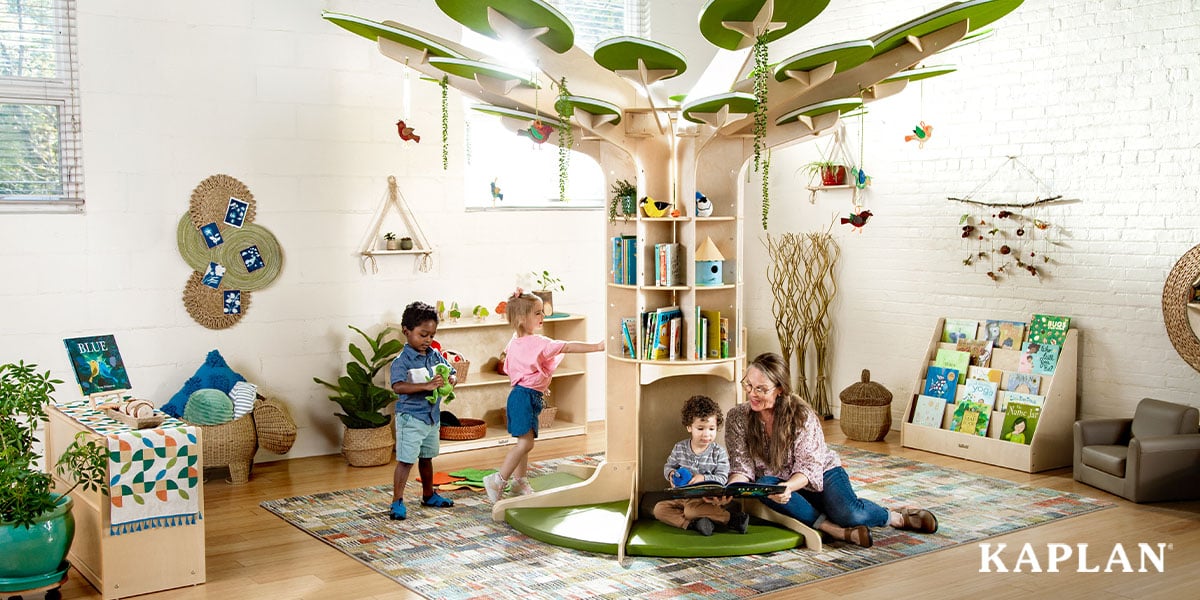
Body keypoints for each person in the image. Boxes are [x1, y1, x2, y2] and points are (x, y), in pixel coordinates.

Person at [724, 352, 939, 548]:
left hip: (819, 474)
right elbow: (741, 466)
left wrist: (789, 486)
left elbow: (808, 466)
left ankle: (895, 517)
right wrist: (729, 490)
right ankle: (835, 530)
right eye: (749, 385)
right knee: (765, 486)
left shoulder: (802, 416)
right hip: (777, 485)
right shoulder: (737, 417)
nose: (752, 393)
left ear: (780, 389)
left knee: (851, 514)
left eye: (761, 389)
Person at [483, 289, 604, 502]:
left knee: (525, 439)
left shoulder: (514, 343)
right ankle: (498, 479)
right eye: (537, 313)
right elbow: (567, 346)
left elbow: (519, 371)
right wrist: (598, 346)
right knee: (525, 444)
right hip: (525, 398)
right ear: (522, 318)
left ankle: (519, 481)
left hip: (520, 396)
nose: (543, 317)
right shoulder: (538, 343)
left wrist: (539, 385)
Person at [387, 301, 458, 520]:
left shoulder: (434, 355)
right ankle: (397, 501)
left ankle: (428, 495)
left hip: (431, 418)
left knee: (427, 458)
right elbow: (398, 386)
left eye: (432, 335)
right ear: (406, 331)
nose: (428, 340)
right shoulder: (402, 360)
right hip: (411, 418)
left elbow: (451, 371)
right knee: (406, 460)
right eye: (423, 335)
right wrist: (426, 386)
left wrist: (451, 379)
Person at [652, 395, 749, 536]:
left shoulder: (718, 452)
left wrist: (703, 478)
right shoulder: (680, 448)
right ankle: (693, 524)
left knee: (691, 511)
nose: (706, 434)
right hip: (682, 497)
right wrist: (671, 474)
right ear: (689, 427)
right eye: (700, 428)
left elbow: (722, 478)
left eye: (711, 429)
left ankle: (734, 519)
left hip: (705, 500)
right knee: (659, 509)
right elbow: (669, 466)